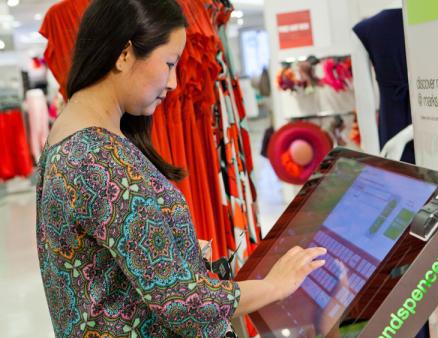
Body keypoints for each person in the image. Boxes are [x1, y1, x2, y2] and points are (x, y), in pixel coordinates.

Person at [35, 0, 326, 337]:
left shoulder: (75, 133)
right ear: (125, 54)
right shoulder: (97, 157)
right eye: (169, 63)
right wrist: (275, 285)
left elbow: (103, 265)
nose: (173, 82)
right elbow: (181, 304)